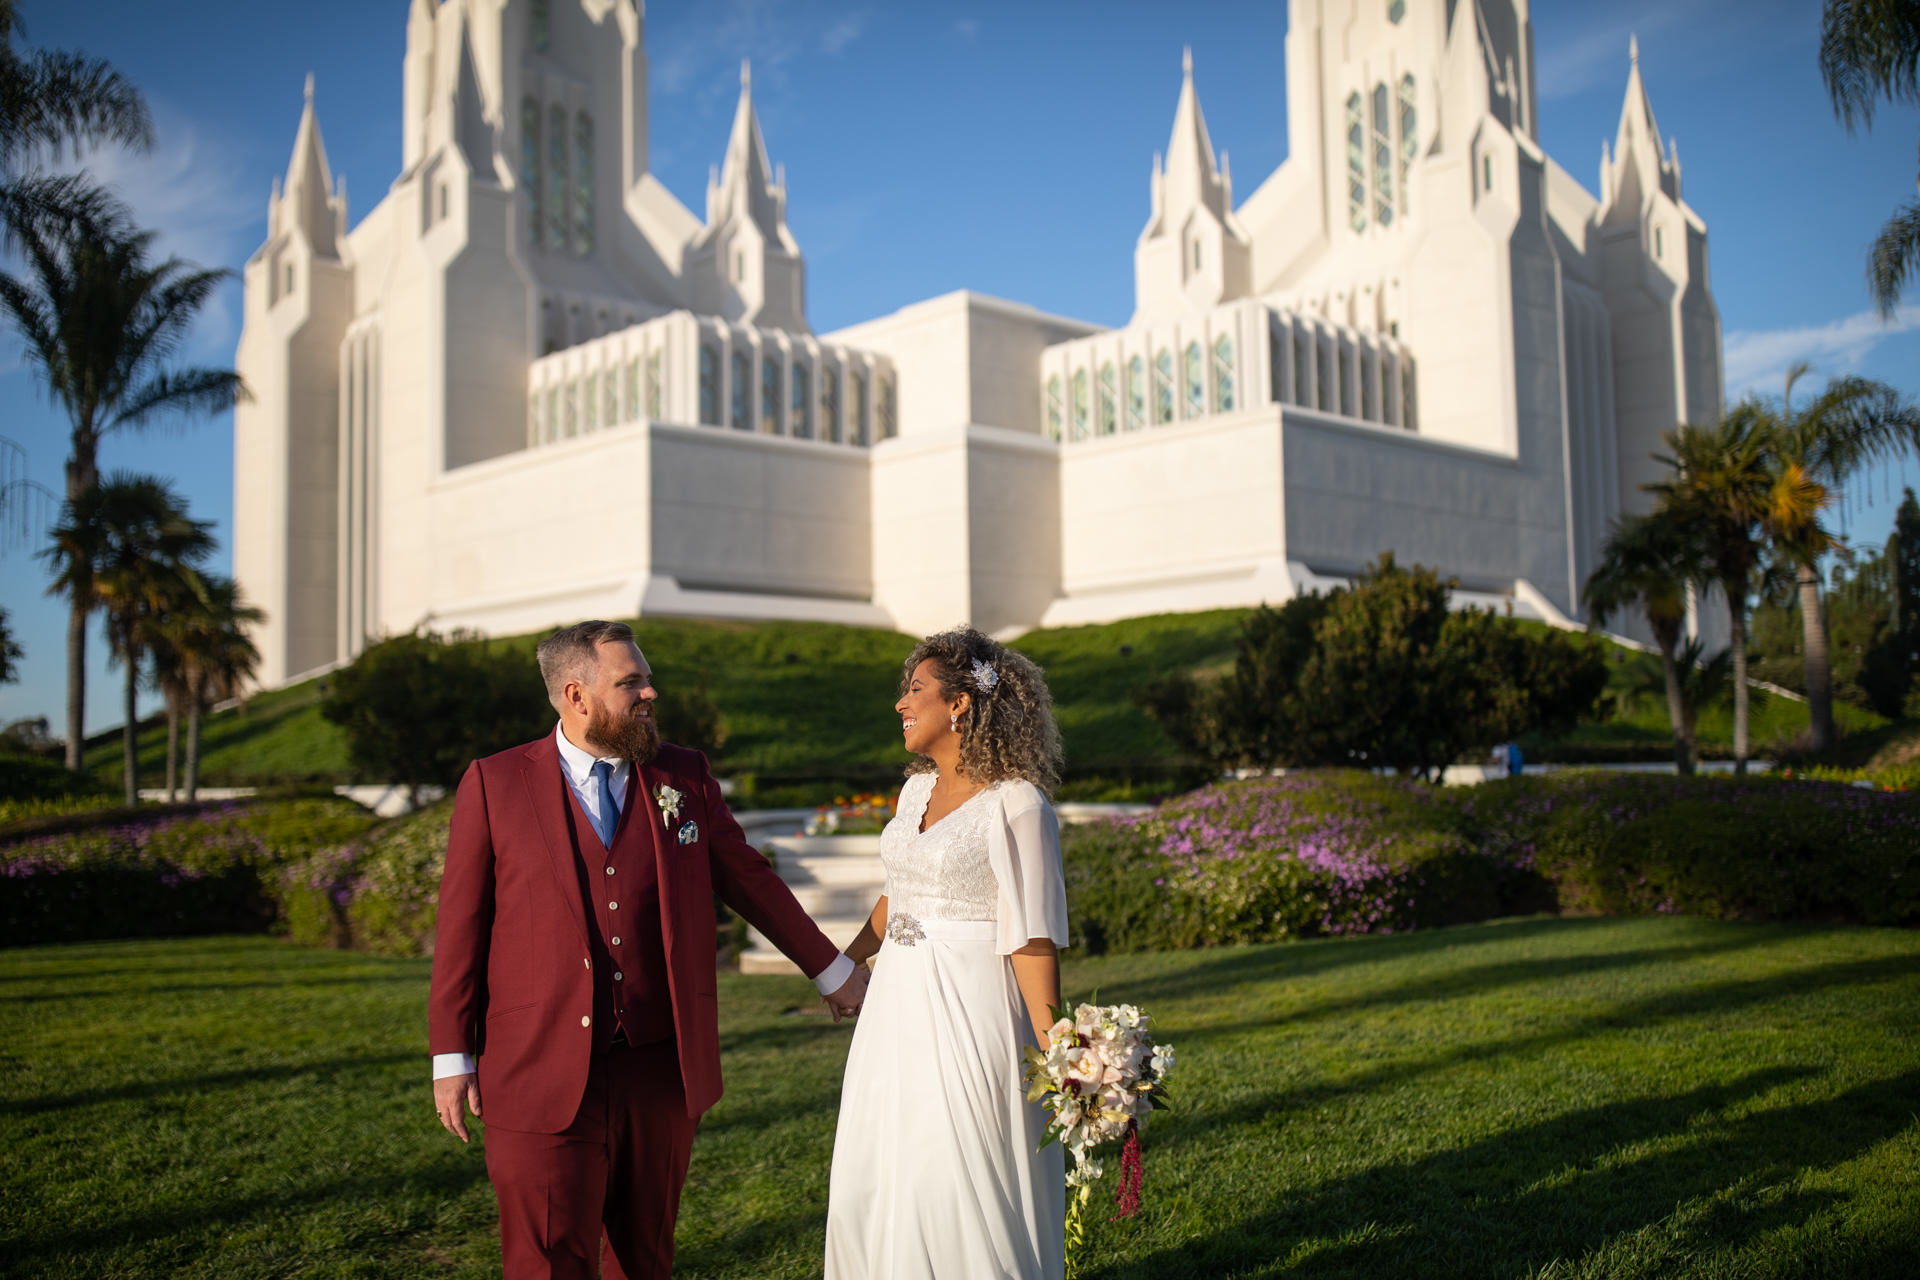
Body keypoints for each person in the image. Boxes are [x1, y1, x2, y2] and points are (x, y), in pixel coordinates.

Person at [428, 620, 870, 1280]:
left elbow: (747, 876)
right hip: (536, 1066)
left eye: (646, 677)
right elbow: (462, 926)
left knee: (644, 1260)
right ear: (576, 695)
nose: (650, 693)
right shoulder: (494, 784)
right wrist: (451, 1054)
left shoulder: (680, 774)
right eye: (630, 682)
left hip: (658, 1067)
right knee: (546, 1261)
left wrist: (832, 970)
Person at [825, 626, 1069, 1279]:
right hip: (894, 1007)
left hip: (968, 1009)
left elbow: (1031, 936)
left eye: (916, 690)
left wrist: (1064, 1059)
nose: (901, 704)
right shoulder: (913, 793)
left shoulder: (1017, 803)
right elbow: (899, 893)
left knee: (951, 1171)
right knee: (880, 1170)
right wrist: (847, 965)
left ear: (961, 703)